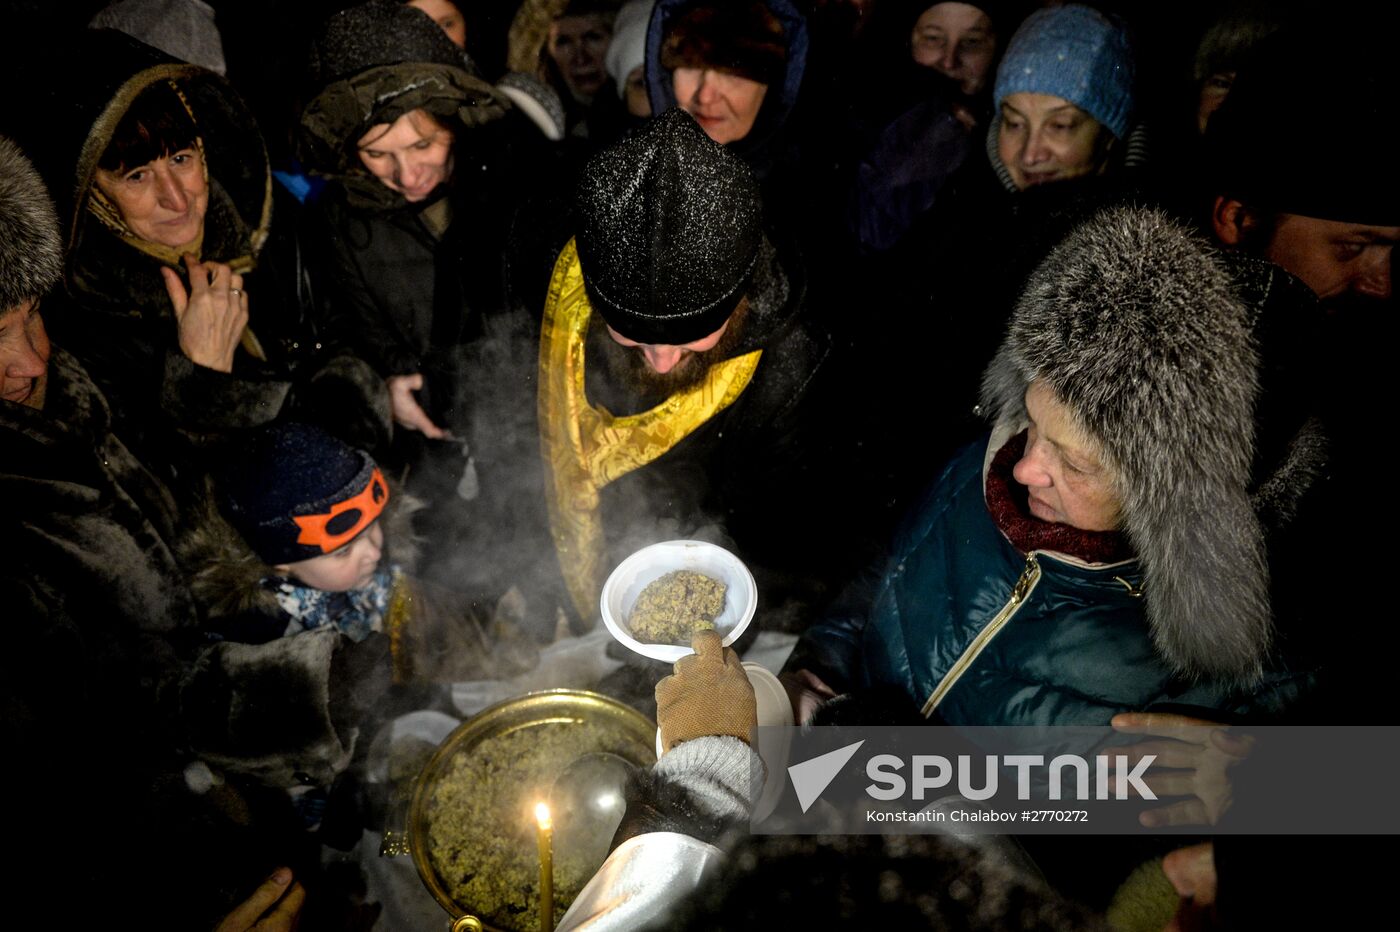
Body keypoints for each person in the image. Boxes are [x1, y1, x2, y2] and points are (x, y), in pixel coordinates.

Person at [787, 206, 1316, 729]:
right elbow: (887, 575)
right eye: (1034, 423)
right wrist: (816, 669)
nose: (1024, 469)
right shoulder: (989, 462)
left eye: (1075, 463)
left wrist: (903, 770)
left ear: (1180, 507)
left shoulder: (1246, 701)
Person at [46, 28, 388, 500]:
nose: (176, 197)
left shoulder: (267, 223)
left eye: (181, 158)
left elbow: (349, 346)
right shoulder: (82, 324)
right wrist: (202, 381)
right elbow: (153, 505)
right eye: (137, 175)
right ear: (93, 194)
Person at [531, 108, 836, 629]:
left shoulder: (793, 361)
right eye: (633, 337)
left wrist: (695, 622)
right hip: (572, 565)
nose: (662, 361)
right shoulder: (555, 267)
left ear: (741, 301)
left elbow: (783, 533)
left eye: (691, 340)